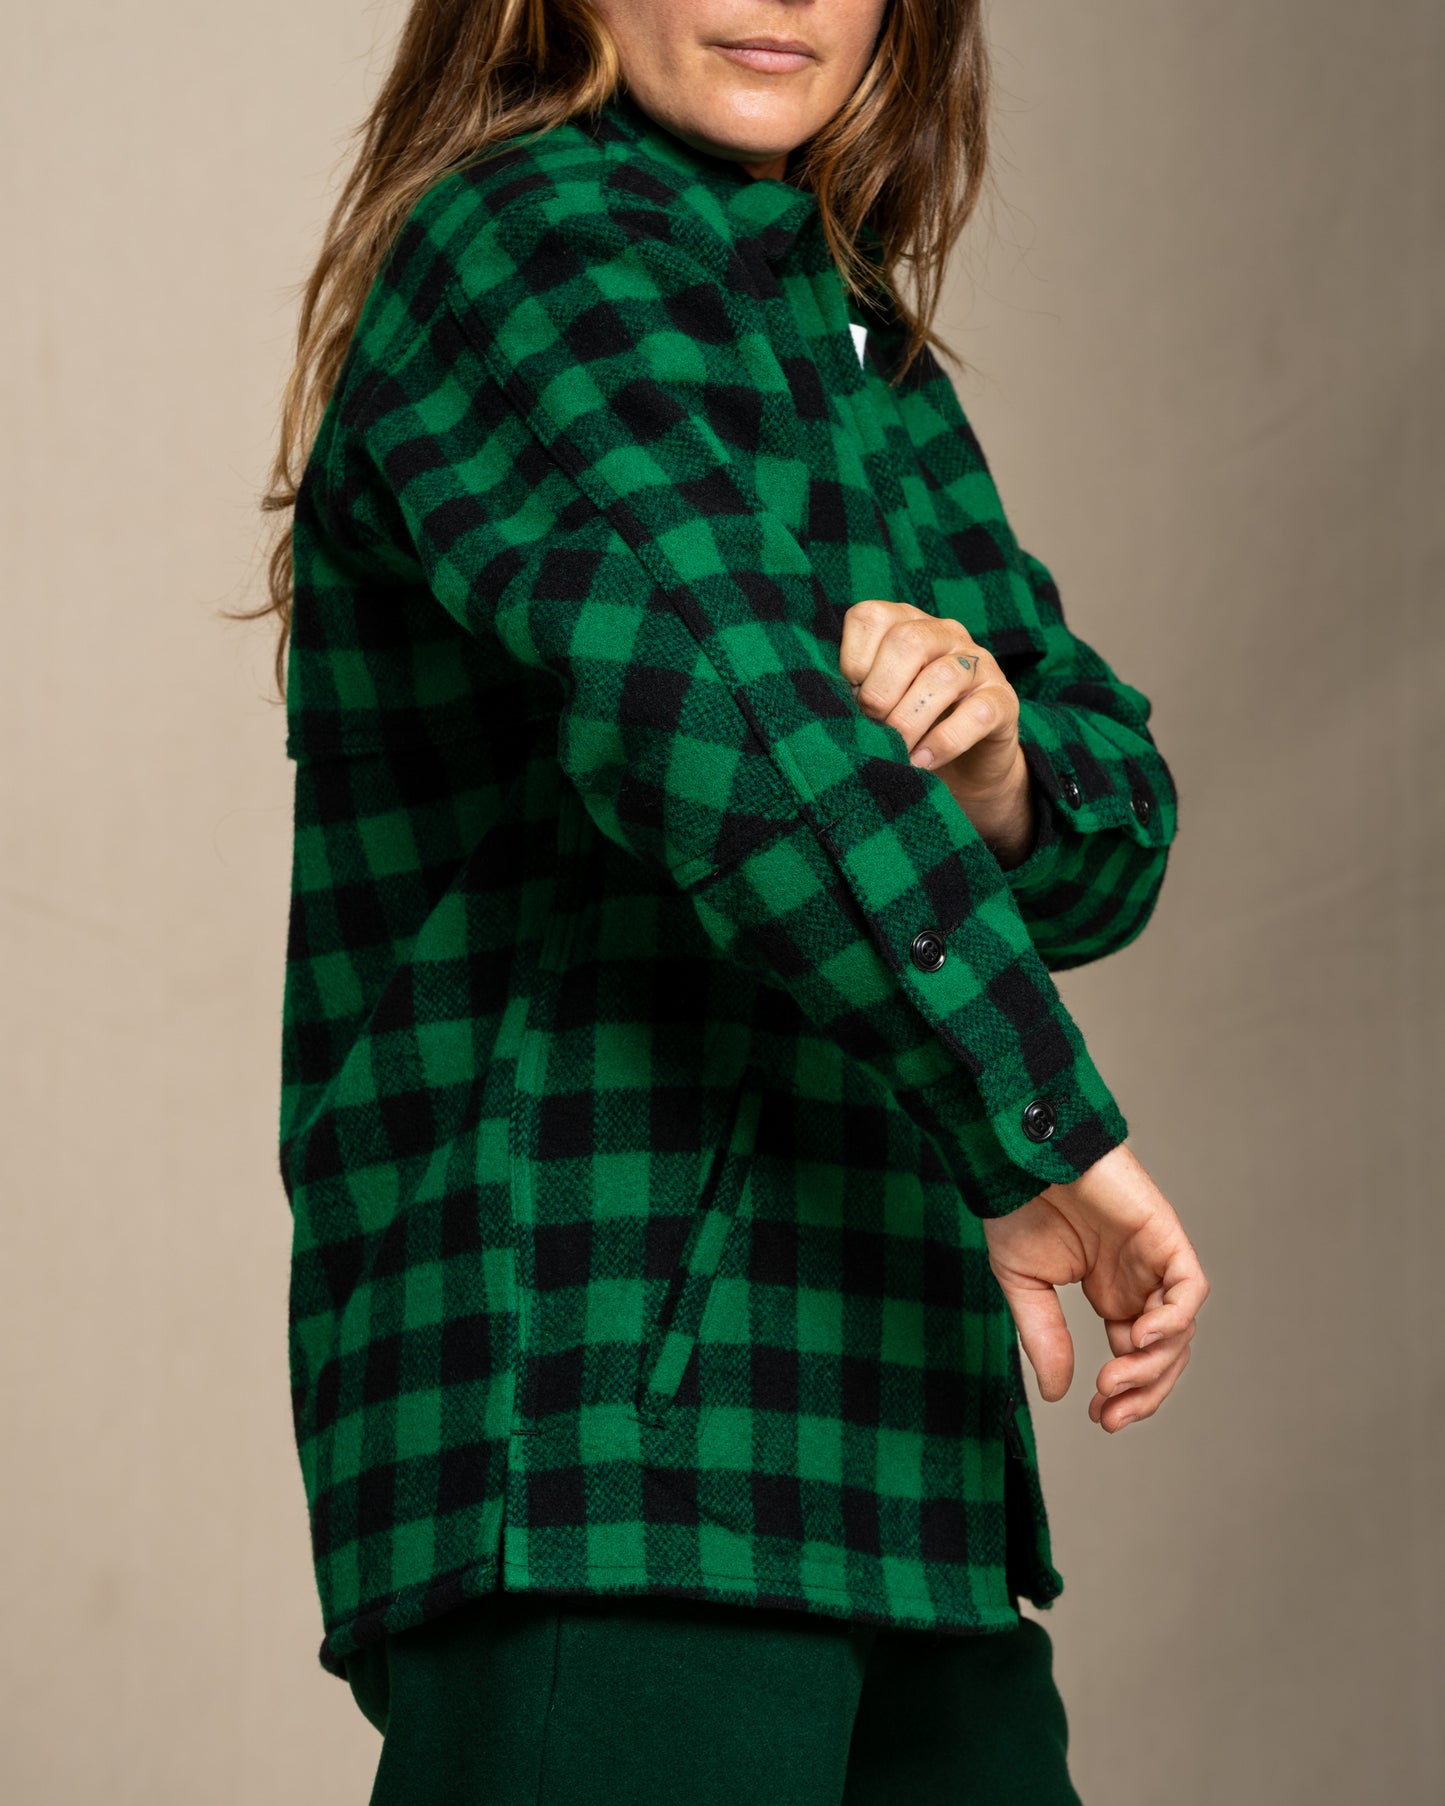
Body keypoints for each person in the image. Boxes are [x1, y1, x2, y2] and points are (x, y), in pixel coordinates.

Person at [254, 1, 1210, 1799]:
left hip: (899, 1443)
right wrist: (1035, 1127)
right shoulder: (525, 244)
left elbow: (1120, 808)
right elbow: (725, 712)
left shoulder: (857, 351)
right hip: (612, 1431)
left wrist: (996, 758)